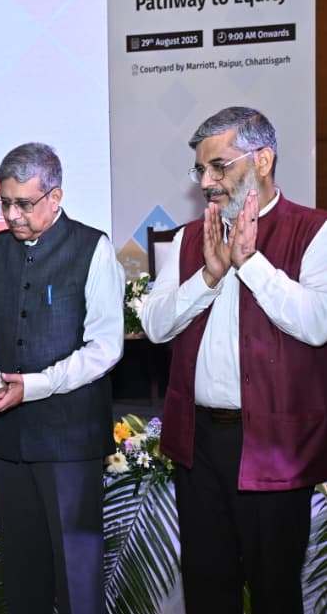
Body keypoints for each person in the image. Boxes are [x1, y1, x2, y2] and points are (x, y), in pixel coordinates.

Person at [141, 106, 327, 614]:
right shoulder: (187, 239)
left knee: (274, 593)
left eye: (218, 166)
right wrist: (208, 276)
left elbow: (317, 324)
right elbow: (155, 325)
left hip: (274, 447)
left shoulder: (314, 231)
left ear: (262, 160)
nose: (206, 182)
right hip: (199, 445)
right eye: (201, 170)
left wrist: (251, 263)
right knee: (207, 591)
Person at [0, 142, 124, 614]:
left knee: (77, 582)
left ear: (55, 197)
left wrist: (33, 386)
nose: (12, 215)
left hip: (71, 439)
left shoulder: (92, 248)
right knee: (22, 577)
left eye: (24, 204)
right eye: (4, 203)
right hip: (9, 440)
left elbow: (105, 346)